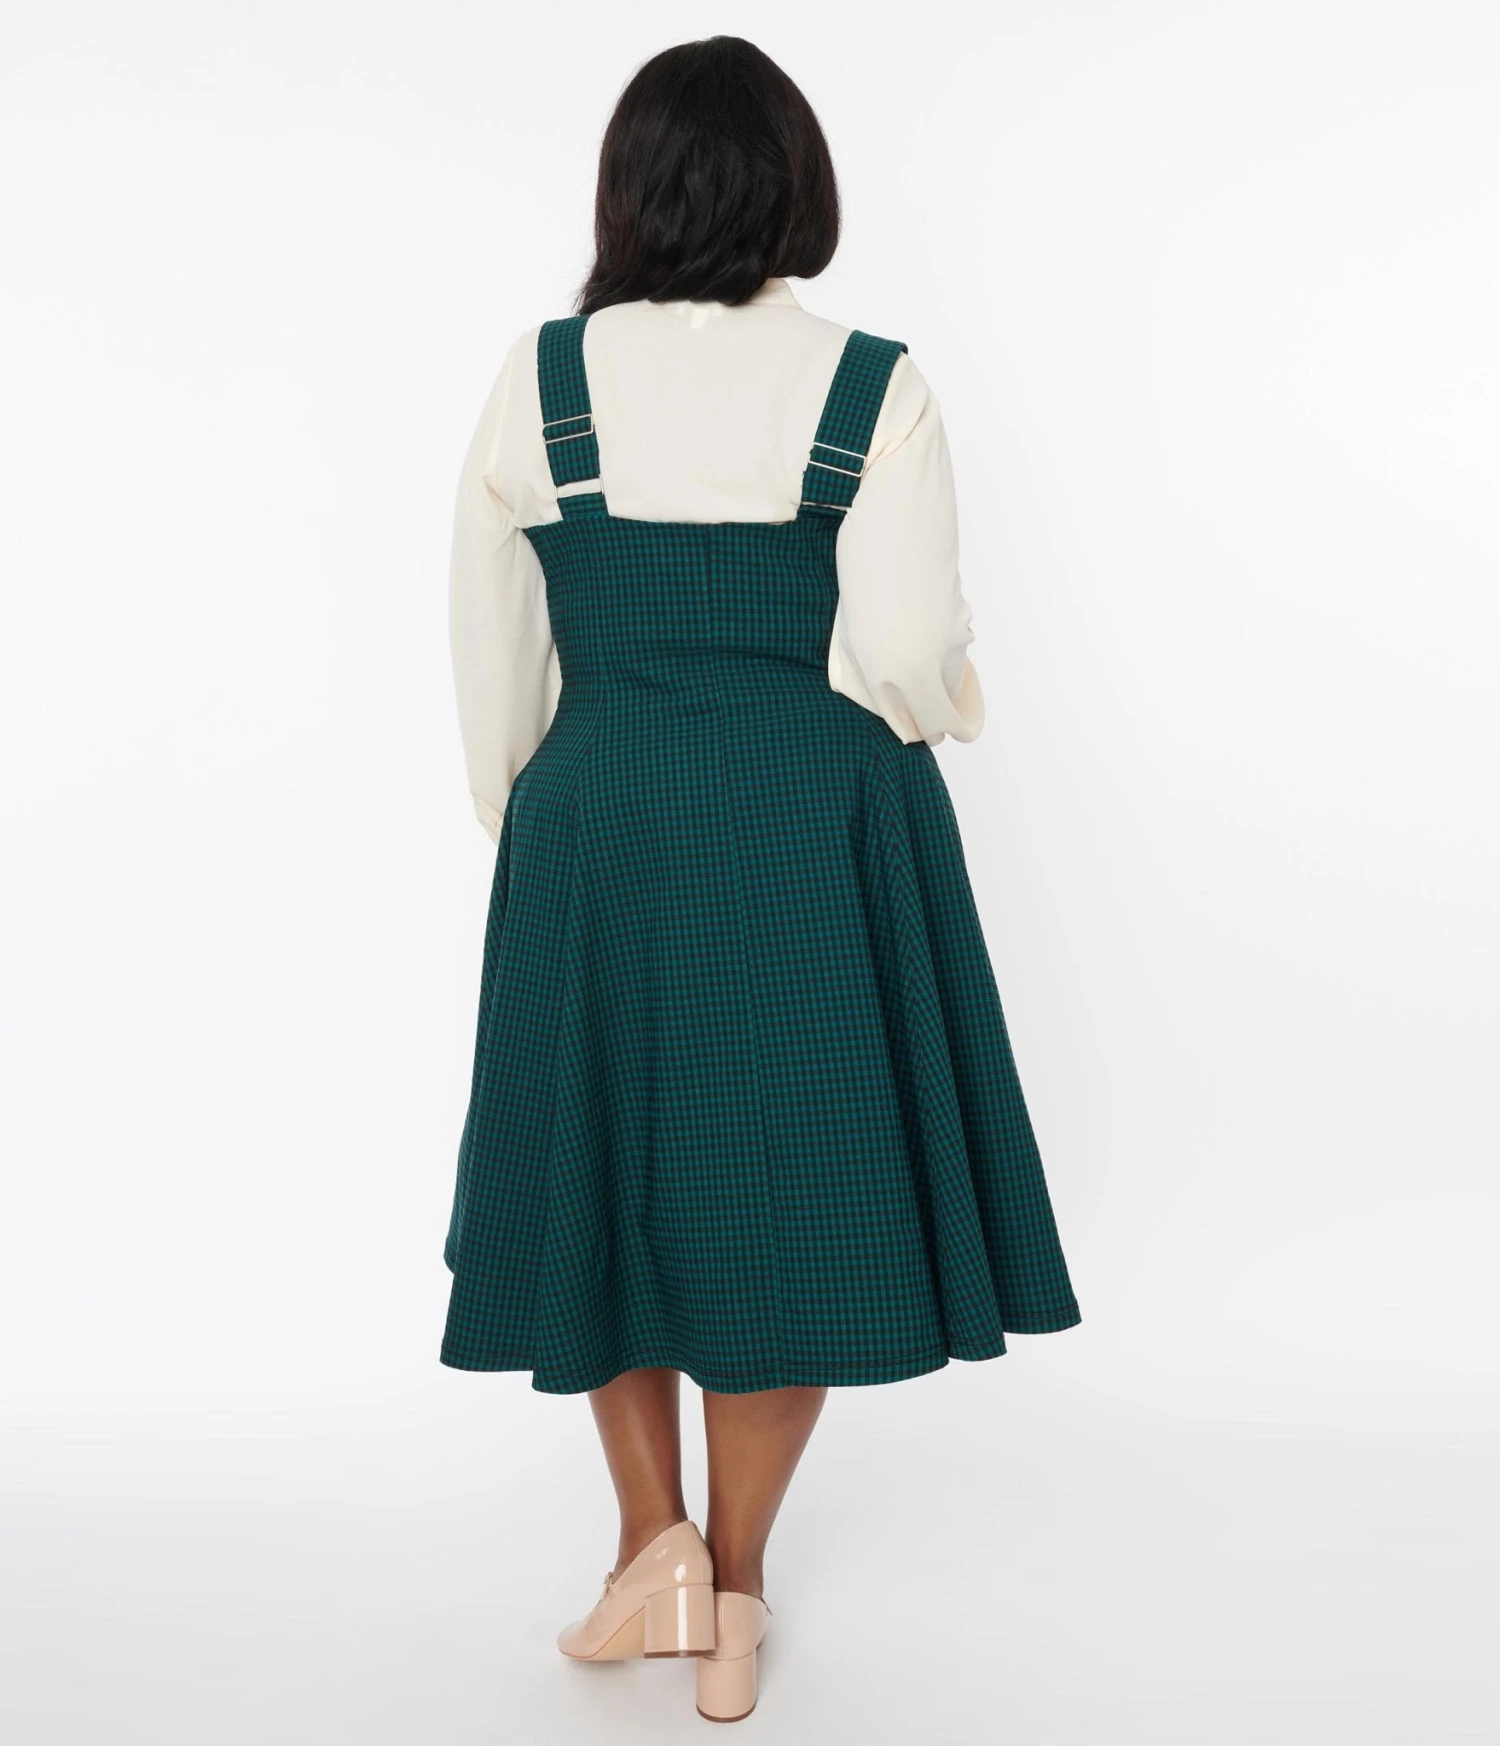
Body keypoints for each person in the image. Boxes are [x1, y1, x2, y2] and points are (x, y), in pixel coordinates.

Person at [440, 34, 1081, 1725]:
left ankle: (647, 1540)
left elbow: (493, 655)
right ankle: (728, 1588)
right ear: (798, 186)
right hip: (811, 817)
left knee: (606, 1173)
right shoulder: (874, 385)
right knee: (793, 1198)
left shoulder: (542, 380)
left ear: (627, 192)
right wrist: (916, 708)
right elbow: (907, 645)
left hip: (598, 819)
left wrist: (537, 817)